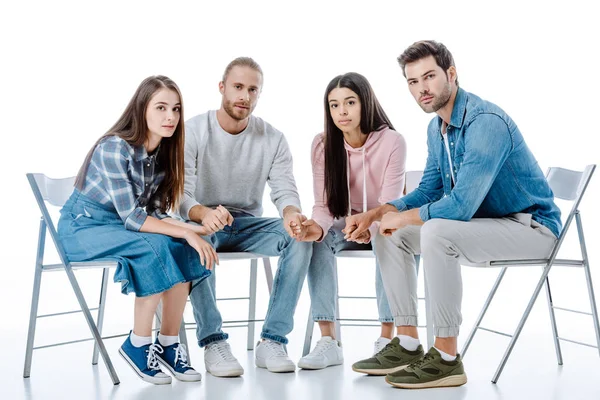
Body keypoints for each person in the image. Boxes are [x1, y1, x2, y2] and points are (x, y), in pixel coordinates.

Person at [345, 40, 561, 389]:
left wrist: (403, 216)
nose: (421, 89)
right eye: (412, 82)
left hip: (533, 228)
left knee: (436, 231)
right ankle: (409, 343)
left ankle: (446, 357)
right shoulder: (437, 128)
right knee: (388, 232)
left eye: (428, 77)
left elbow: (460, 206)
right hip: (492, 223)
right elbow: (429, 190)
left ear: (451, 74)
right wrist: (379, 214)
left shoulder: (485, 122)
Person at [57, 76, 216, 384]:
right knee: (154, 246)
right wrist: (183, 230)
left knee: (182, 247)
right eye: (161, 108)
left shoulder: (163, 154)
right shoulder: (114, 148)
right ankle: (138, 343)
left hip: (119, 227)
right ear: (142, 109)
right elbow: (132, 217)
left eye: (176, 109)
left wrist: (192, 228)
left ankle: (169, 344)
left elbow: (154, 213)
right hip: (83, 228)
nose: (170, 117)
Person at [181, 57, 312, 375]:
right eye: (238, 87)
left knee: (301, 237)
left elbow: (284, 191)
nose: (245, 96)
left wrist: (292, 215)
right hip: (202, 221)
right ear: (222, 88)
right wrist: (202, 214)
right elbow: (179, 193)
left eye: (253, 89)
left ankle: (273, 340)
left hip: (247, 225)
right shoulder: (194, 130)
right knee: (192, 237)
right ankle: (213, 342)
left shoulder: (273, 138)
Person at [295, 72, 407, 371]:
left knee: (392, 236)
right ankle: (329, 340)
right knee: (317, 243)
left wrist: (369, 228)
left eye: (349, 102)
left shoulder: (393, 141)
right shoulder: (321, 145)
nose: (341, 112)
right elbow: (323, 206)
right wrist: (315, 228)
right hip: (344, 225)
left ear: (365, 103)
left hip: (382, 221)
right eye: (334, 105)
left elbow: (390, 204)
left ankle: (387, 338)